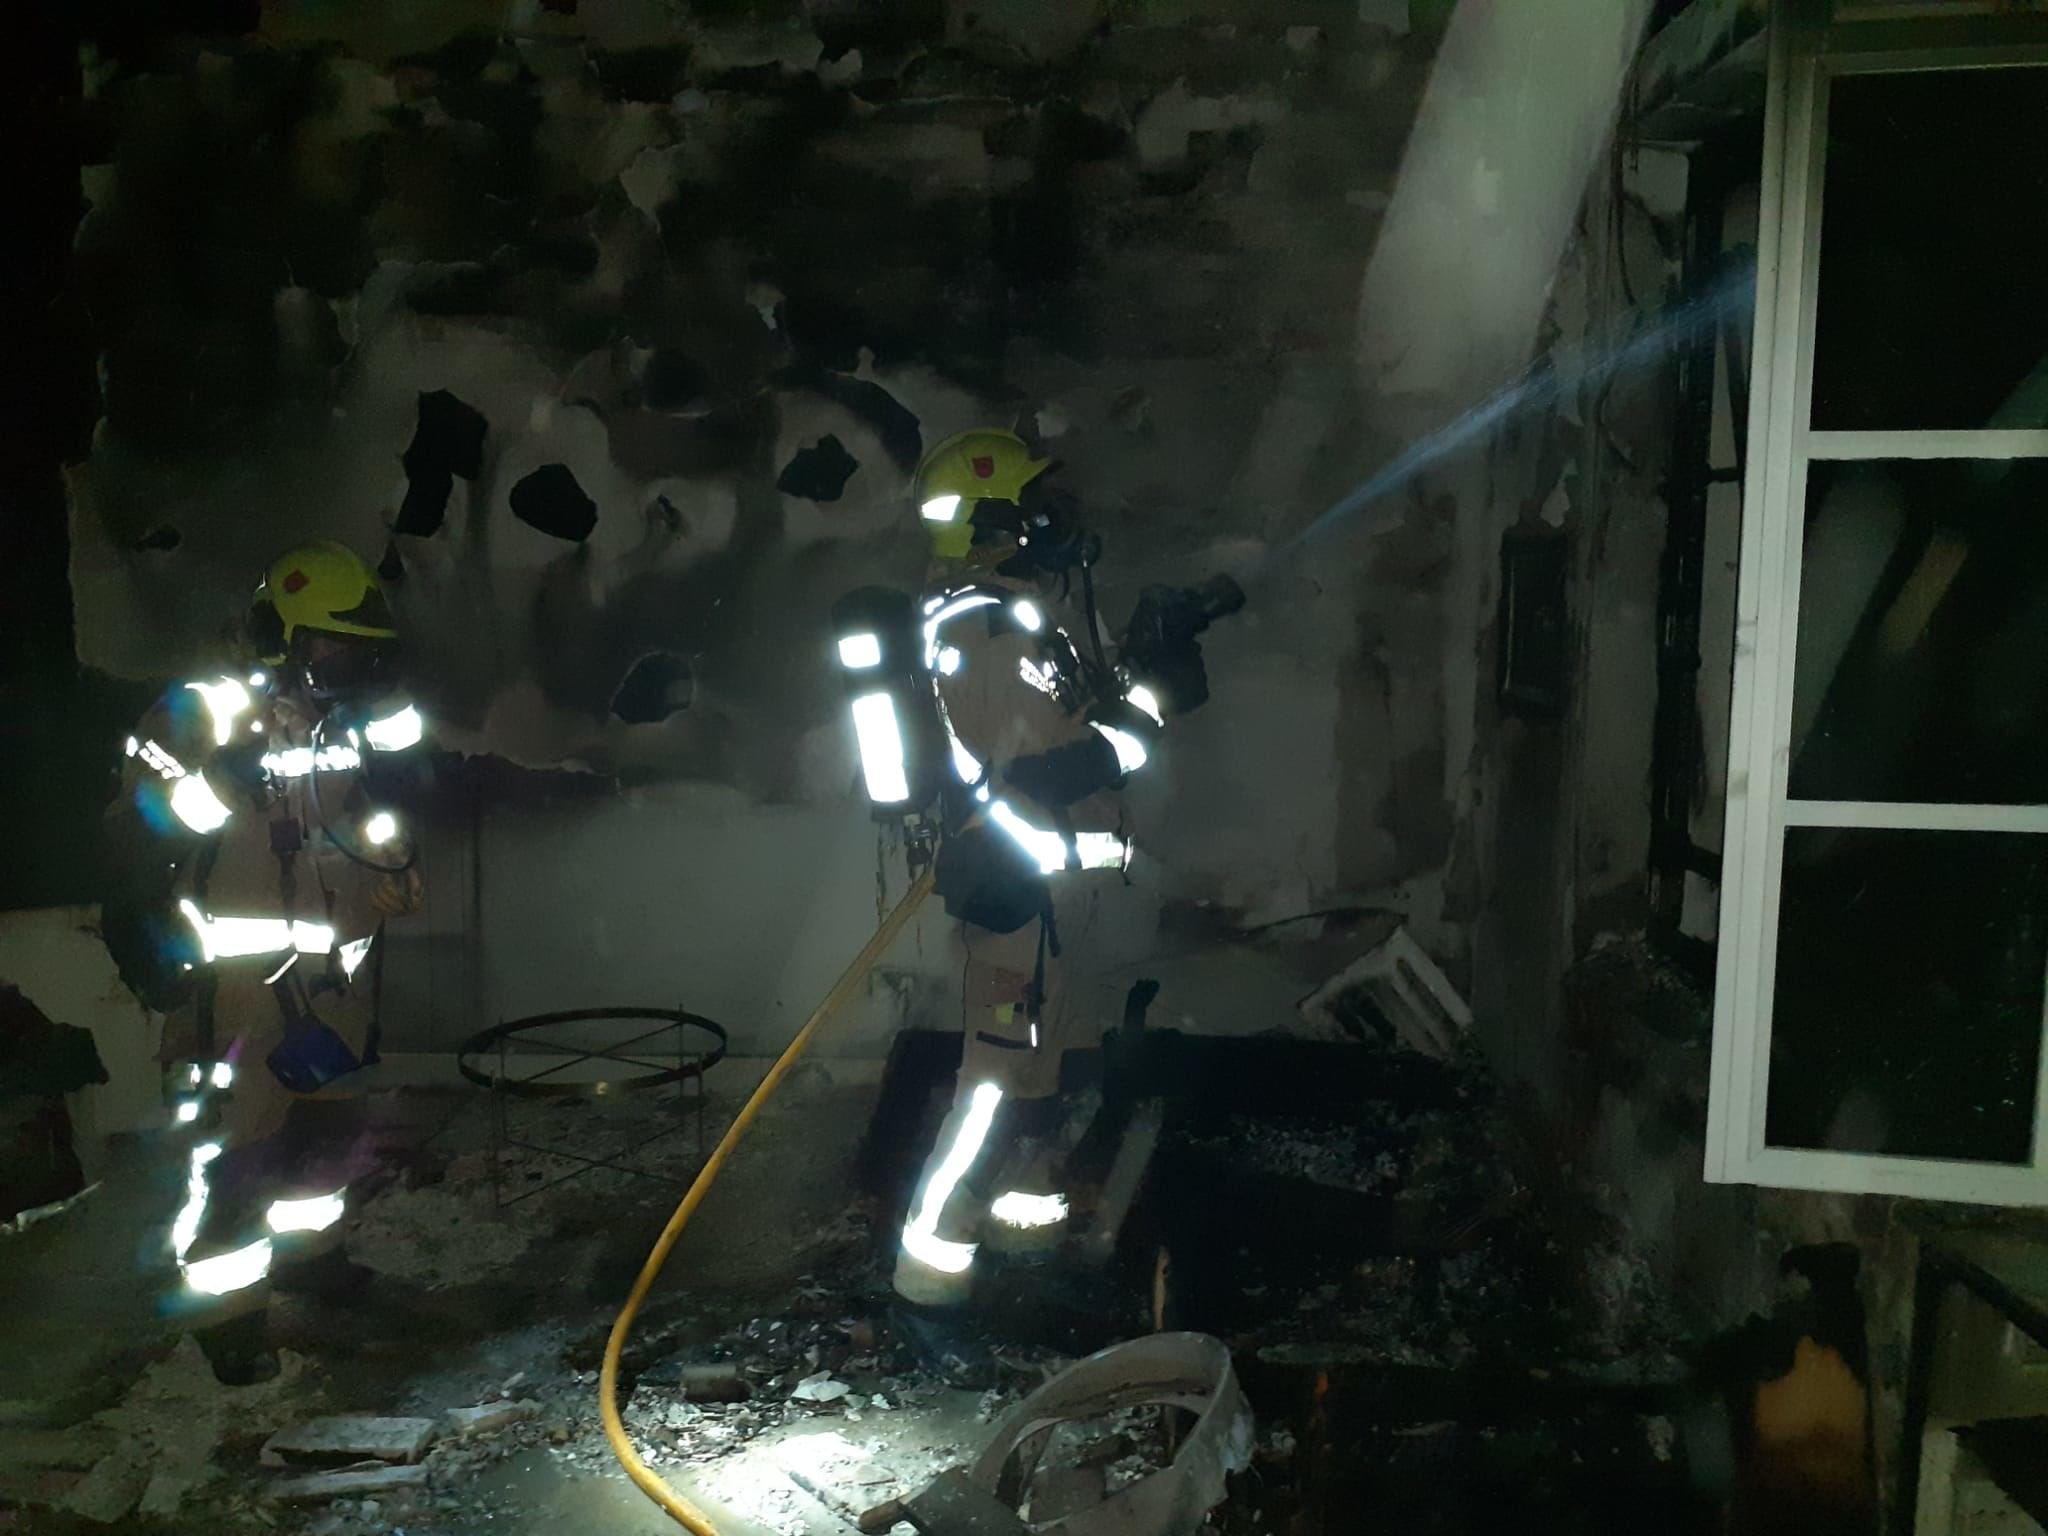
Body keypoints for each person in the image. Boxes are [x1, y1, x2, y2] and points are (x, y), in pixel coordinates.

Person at [101, 540, 427, 1382]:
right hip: (235, 991)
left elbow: (354, 819)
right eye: (330, 644)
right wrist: (218, 782)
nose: (345, 663)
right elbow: (137, 829)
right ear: (281, 635)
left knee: (326, 1138)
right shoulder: (198, 714)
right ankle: (228, 1318)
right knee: (240, 1157)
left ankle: (314, 1262)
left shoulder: (336, 719)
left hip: (331, 982)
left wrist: (388, 875)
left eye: (357, 648)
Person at [886, 429, 1170, 1369]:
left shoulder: (1014, 621)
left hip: (1046, 896)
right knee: (997, 1090)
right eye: (1046, 508)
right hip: (1011, 894)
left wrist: (1130, 690)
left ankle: (1024, 1240)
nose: (1066, 525)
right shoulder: (983, 630)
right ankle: (930, 1283)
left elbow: (1066, 730)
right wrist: (1145, 718)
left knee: (1043, 1077)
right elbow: (1048, 761)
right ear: (1006, 520)